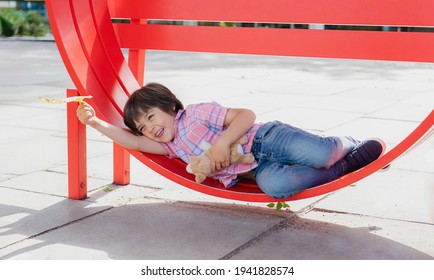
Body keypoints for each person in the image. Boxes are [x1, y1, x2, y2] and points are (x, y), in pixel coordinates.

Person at [77, 82, 386, 199]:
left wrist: (223, 144)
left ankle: (346, 144)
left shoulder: (196, 114)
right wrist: (94, 122)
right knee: (277, 188)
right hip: (256, 170)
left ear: (171, 106)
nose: (149, 128)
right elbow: (131, 142)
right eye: (143, 127)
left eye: (152, 117)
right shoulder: (170, 146)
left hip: (265, 140)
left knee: (318, 153)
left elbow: (246, 115)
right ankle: (348, 165)